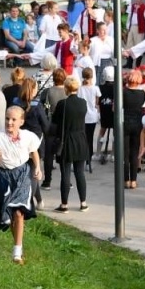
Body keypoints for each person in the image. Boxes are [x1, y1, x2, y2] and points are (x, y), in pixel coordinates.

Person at [0, 106, 43, 264]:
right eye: (7, 119)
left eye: (14, 120)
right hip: (4, 177)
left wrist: (37, 167)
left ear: (21, 122)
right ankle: (18, 246)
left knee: (18, 212)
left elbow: (33, 152)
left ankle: (16, 253)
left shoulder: (27, 136)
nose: (9, 122)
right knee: (8, 215)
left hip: (22, 174)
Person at [52, 75, 90, 212]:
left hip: (67, 140)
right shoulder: (83, 103)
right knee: (80, 172)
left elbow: (55, 120)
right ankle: (83, 202)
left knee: (65, 173)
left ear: (66, 88)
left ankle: (64, 204)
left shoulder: (63, 104)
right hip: (81, 139)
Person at [120, 70, 145, 188]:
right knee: (135, 152)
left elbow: (115, 109)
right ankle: (134, 180)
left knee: (125, 153)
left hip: (125, 122)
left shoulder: (123, 92)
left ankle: (126, 179)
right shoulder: (142, 93)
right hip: (137, 122)